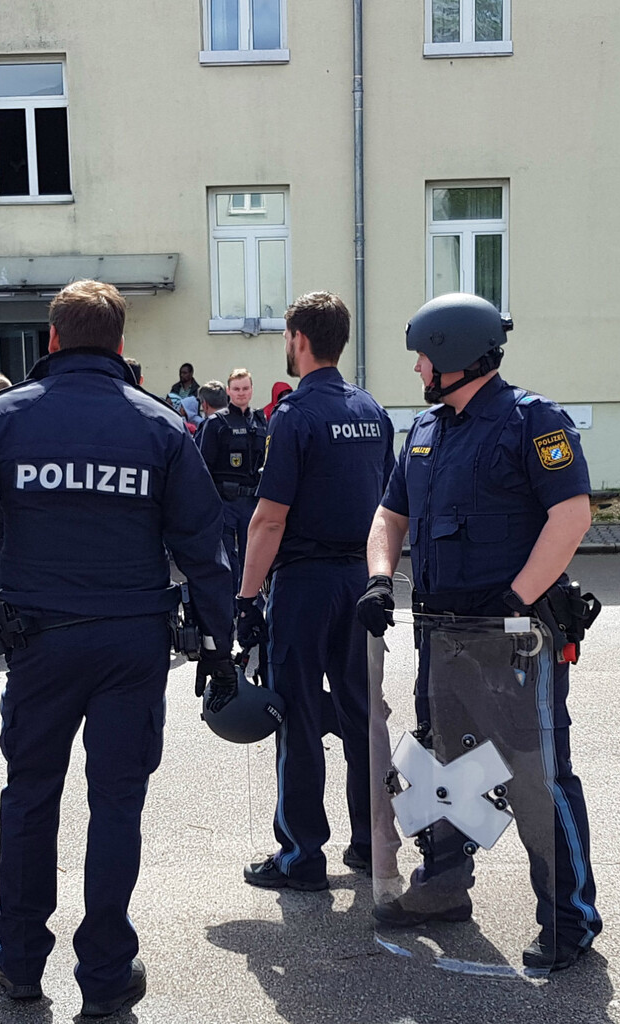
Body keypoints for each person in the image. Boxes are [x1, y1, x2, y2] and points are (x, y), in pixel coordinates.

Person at [0, 280, 233, 1018]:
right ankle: (106, 973)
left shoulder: (2, 420)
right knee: (116, 804)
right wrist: (219, 648)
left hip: (38, 639)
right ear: (121, 344)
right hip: (132, 641)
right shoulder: (161, 426)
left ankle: (20, 964)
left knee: (30, 798)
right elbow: (204, 550)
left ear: (52, 339)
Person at [361, 292, 602, 972]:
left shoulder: (533, 421)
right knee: (441, 761)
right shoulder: (425, 430)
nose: (417, 368)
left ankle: (569, 920)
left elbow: (572, 516)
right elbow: (389, 516)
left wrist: (516, 598)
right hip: (442, 634)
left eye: (423, 356)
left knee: (535, 775)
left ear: (456, 354)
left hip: (517, 635)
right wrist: (379, 579)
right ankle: (442, 888)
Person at [233, 292, 394, 891]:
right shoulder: (373, 411)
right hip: (359, 580)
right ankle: (372, 842)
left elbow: (268, 520)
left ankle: (302, 857)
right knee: (362, 716)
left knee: (297, 717)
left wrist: (246, 600)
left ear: (298, 339)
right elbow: (387, 505)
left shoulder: (293, 415)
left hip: (304, 585)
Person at [198, 368, 268, 595]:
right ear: (228, 391)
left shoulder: (261, 422)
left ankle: (250, 603)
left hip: (252, 503)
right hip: (225, 502)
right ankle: (229, 607)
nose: (241, 393)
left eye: (245, 388)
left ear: (252, 390)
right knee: (227, 560)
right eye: (236, 389)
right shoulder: (216, 424)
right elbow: (203, 467)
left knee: (253, 558)